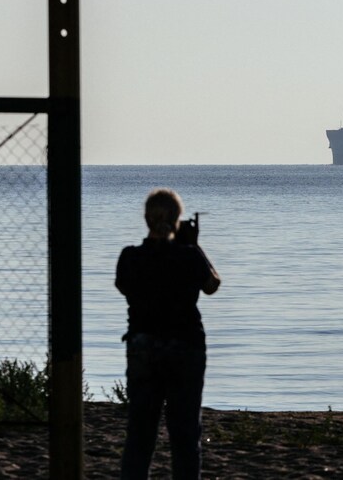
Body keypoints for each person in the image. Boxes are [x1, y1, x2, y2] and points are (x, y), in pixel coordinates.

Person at [116, 188, 221, 479]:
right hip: (186, 347)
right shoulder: (189, 258)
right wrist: (195, 246)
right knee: (186, 436)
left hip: (143, 346)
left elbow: (124, 287)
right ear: (178, 220)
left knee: (140, 434)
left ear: (146, 218)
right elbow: (212, 285)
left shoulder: (129, 258)